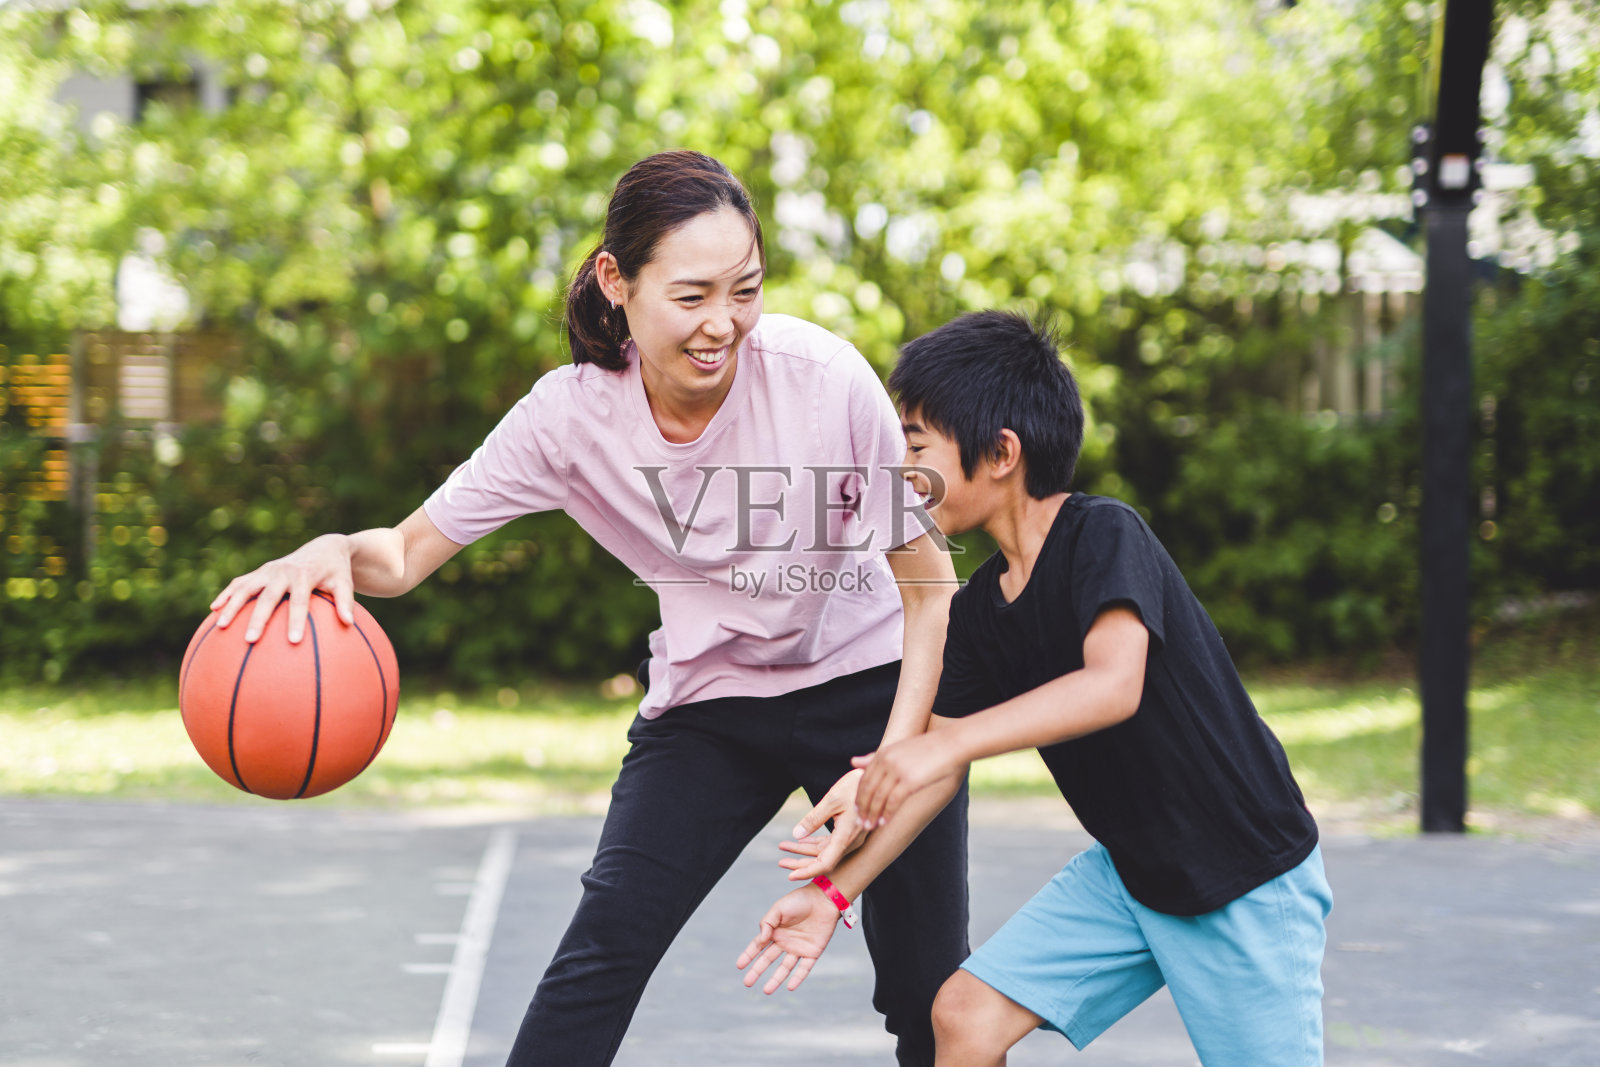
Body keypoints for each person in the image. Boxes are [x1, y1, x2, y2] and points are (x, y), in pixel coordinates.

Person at [208, 150, 970, 1066]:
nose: (722, 323)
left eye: (746, 289)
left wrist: (893, 760)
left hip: (870, 684)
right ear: (617, 282)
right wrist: (331, 550)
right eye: (691, 297)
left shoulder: (823, 380)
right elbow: (407, 553)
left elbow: (929, 588)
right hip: (712, 706)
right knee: (604, 945)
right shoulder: (568, 420)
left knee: (931, 998)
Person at [738, 310, 1332, 1066]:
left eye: (915, 445)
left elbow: (1111, 685)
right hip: (1132, 876)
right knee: (964, 1013)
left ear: (1000, 453)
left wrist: (939, 745)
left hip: (1243, 878)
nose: (899, 471)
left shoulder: (1104, 535)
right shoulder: (980, 610)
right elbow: (936, 770)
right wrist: (833, 893)